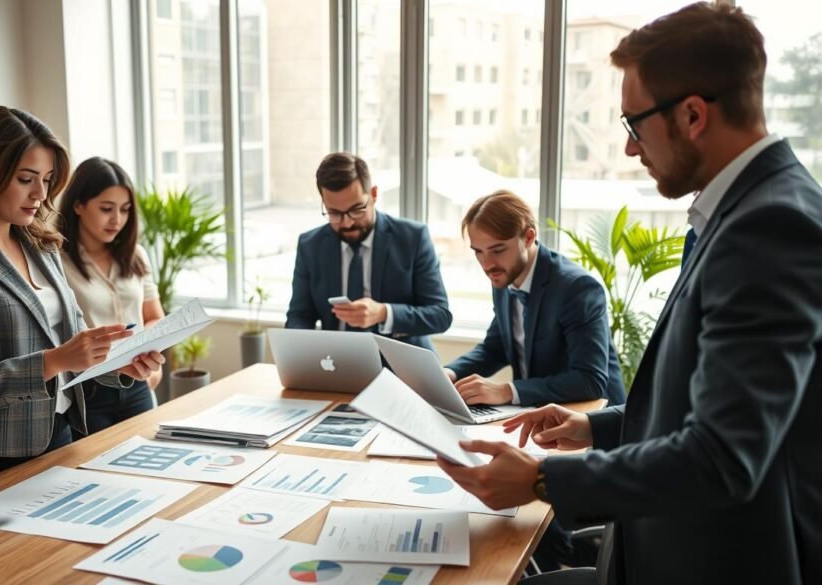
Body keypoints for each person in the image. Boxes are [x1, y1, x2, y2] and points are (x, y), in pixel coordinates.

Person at [436, 4, 822, 584]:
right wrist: (597, 427)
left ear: (692, 115)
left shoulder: (768, 228)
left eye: (633, 124)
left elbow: (723, 458)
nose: (630, 149)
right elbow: (703, 401)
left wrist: (542, 478)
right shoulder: (742, 213)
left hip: (707, 561)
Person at [0, 106, 164, 495]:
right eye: (26, 179)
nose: (41, 194)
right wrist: (56, 360)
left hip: (57, 435)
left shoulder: (40, 242)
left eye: (47, 179)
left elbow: (74, 340)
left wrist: (123, 364)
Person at [444, 190, 625, 408]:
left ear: (528, 237)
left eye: (498, 250)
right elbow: (496, 347)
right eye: (478, 252)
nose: (487, 264)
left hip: (591, 418)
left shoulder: (576, 288)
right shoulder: (503, 275)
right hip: (539, 411)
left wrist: (506, 391)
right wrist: (449, 373)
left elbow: (590, 380)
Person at [286, 152, 452, 351]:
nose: (347, 223)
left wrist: (384, 313)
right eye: (335, 213)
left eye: (357, 209)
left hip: (402, 369)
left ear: (373, 195)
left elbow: (440, 316)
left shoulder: (412, 238)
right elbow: (299, 316)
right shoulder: (310, 245)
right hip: (335, 366)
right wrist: (305, 352)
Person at [58, 157, 164, 438]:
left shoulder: (135, 255)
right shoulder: (57, 261)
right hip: (90, 393)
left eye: (125, 210)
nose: (117, 219)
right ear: (78, 205)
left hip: (137, 385)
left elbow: (153, 316)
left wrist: (147, 353)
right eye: (106, 209)